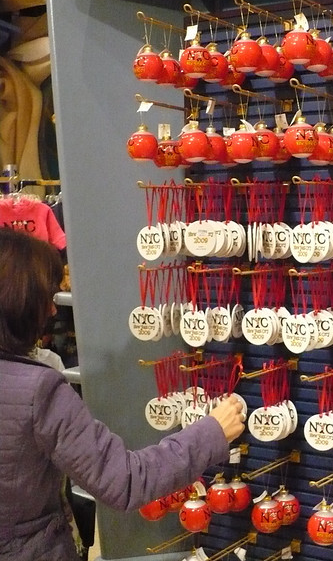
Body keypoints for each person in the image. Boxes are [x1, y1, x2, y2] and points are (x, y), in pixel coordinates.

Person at [0, 227, 245, 561]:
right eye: (47, 298)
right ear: (20, 303)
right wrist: (211, 432)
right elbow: (124, 481)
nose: (53, 312)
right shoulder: (38, 391)